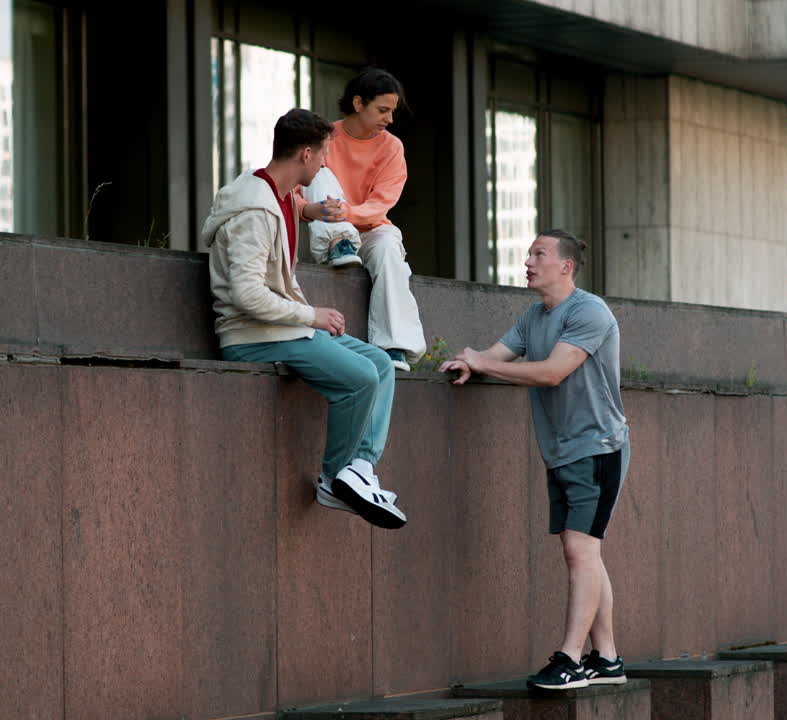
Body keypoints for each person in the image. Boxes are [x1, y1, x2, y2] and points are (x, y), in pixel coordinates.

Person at [200, 108, 407, 530]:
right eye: (325, 154)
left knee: (382, 365)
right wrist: (312, 314)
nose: (327, 163)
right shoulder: (255, 211)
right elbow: (247, 293)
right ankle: (334, 479)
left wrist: (310, 214)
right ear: (307, 154)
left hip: (283, 328)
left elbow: (288, 208)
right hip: (254, 334)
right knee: (360, 380)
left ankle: (360, 470)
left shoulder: (278, 196)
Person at [439, 229, 629, 690]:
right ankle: (607, 660)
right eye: (528, 253)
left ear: (565, 266)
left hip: (598, 448)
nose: (528, 261)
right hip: (562, 451)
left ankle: (570, 659)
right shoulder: (532, 317)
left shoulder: (588, 311)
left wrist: (485, 365)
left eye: (539, 254)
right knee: (586, 552)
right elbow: (495, 355)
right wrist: (471, 362)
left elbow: (551, 372)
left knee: (579, 550)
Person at [300, 67, 426, 372]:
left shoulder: (392, 147)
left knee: (388, 251)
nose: (390, 119)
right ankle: (339, 243)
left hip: (371, 228)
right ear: (358, 104)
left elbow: (383, 202)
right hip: (329, 228)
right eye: (383, 110)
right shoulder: (323, 138)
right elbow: (292, 190)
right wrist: (309, 210)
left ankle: (394, 346)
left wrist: (349, 213)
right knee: (321, 173)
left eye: (392, 111)